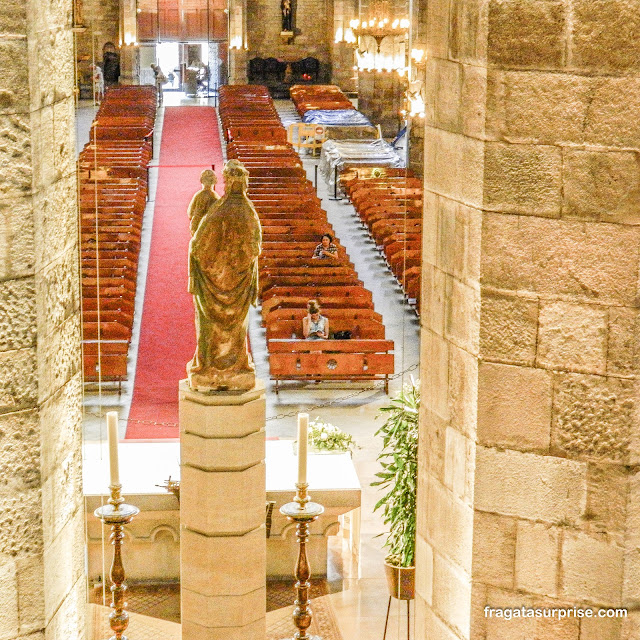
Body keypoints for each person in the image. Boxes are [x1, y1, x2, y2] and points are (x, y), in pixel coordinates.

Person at [187, 160, 262, 392]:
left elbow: (197, 245)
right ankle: (236, 366)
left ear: (227, 182)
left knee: (209, 325)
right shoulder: (248, 211)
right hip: (238, 283)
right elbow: (254, 248)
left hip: (213, 283)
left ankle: (209, 367)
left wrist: (210, 267)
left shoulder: (219, 209)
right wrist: (237, 264)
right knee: (238, 327)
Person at [187, 169, 220, 235]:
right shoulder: (215, 197)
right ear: (214, 181)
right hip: (209, 230)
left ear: (201, 181)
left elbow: (190, 213)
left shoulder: (198, 195)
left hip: (196, 227)